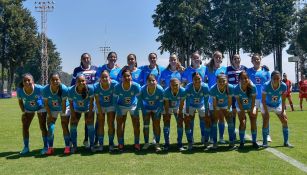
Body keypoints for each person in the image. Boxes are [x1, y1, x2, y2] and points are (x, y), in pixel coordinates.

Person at [71, 53, 98, 148]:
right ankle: (72, 143)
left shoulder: (95, 68)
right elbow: (72, 84)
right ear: (81, 59)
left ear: (90, 59)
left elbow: (98, 82)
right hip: (79, 97)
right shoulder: (77, 70)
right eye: (84, 58)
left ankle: (88, 140)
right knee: (75, 121)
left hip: (91, 96)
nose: (86, 59)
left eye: (88, 58)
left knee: (89, 120)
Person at [17, 73, 48, 155]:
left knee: (42, 126)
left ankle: (46, 147)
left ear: (33, 82)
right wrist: (24, 112)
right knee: (25, 126)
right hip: (28, 109)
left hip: (41, 107)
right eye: (25, 81)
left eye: (29, 80)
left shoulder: (40, 88)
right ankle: (26, 147)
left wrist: (43, 106)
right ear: (22, 83)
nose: (27, 82)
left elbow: (47, 97)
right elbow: (20, 102)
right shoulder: (20, 90)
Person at [261, 71, 293, 148]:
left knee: (285, 120)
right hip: (266, 105)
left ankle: (286, 142)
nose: (276, 80)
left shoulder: (283, 86)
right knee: (265, 120)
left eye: (277, 78)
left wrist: (282, 111)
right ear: (271, 78)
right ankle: (265, 142)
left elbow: (283, 99)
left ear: (280, 78)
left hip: (277, 105)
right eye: (274, 78)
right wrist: (266, 112)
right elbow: (263, 100)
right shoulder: (266, 85)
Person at [113, 69, 141, 151]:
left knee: (136, 124)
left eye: (128, 76)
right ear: (122, 78)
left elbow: (140, 99)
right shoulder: (117, 87)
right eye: (124, 76)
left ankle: (137, 143)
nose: (127, 77)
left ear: (131, 77)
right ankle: (120, 144)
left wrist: (136, 110)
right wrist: (118, 110)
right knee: (120, 124)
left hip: (133, 105)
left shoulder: (136, 86)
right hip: (121, 106)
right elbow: (114, 101)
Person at [246, 53, 272, 142]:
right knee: (253, 117)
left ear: (260, 60)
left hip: (264, 98)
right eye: (255, 59)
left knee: (265, 116)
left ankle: (267, 134)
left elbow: (270, 84)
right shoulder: (248, 71)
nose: (257, 61)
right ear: (252, 61)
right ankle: (255, 135)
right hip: (253, 98)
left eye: (258, 59)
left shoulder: (266, 71)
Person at [43, 72, 70, 155]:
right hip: (52, 109)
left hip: (64, 107)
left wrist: (63, 115)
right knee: (50, 128)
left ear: (60, 80)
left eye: (57, 79)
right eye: (53, 80)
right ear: (49, 81)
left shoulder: (64, 89)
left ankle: (67, 146)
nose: (55, 81)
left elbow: (63, 103)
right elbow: (46, 104)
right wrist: (50, 116)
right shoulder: (45, 90)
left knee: (64, 125)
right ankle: (50, 147)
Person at [68, 74, 95, 153]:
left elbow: (91, 103)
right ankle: (74, 146)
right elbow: (71, 103)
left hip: (88, 109)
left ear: (85, 81)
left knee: (90, 124)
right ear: (76, 82)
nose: (81, 82)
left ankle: (92, 145)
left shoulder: (90, 89)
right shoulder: (71, 90)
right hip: (77, 109)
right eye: (79, 81)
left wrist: (90, 115)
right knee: (73, 124)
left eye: (83, 81)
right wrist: (73, 115)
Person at [209, 73, 236, 149]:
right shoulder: (213, 89)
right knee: (214, 122)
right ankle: (214, 143)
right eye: (219, 81)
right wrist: (216, 111)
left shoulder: (230, 87)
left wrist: (228, 110)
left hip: (226, 105)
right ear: (216, 81)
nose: (221, 83)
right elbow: (214, 103)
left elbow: (230, 100)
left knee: (230, 122)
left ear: (227, 81)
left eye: (223, 81)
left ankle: (232, 142)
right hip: (215, 106)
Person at [205, 51, 227, 144]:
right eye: (216, 57)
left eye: (220, 57)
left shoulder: (225, 69)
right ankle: (211, 137)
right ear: (213, 58)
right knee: (212, 119)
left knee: (221, 118)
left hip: (222, 97)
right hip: (211, 97)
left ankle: (221, 138)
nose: (218, 58)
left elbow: (239, 69)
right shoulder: (207, 69)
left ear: (222, 58)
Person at [94, 70, 118, 152]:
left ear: (109, 77)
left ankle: (111, 144)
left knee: (110, 124)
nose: (104, 78)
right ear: (100, 78)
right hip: (100, 106)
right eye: (102, 77)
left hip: (111, 105)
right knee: (100, 124)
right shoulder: (96, 86)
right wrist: (100, 112)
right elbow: (96, 100)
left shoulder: (115, 84)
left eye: (106, 77)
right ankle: (101, 145)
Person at [139, 74, 164, 151]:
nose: (151, 82)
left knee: (156, 124)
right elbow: (140, 101)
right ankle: (146, 143)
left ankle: (157, 143)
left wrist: (158, 112)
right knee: (146, 125)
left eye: (153, 80)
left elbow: (161, 103)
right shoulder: (142, 89)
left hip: (156, 108)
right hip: (146, 108)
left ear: (156, 81)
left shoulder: (160, 89)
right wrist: (143, 111)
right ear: (146, 82)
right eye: (149, 80)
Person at [185, 72, 209, 149]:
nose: (197, 80)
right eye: (195, 79)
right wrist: (187, 112)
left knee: (203, 120)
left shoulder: (205, 86)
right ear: (192, 80)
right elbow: (187, 100)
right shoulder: (188, 87)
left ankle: (203, 137)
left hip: (201, 105)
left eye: (199, 79)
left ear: (201, 79)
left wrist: (206, 111)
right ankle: (191, 139)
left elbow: (206, 100)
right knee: (190, 120)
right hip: (191, 105)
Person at [234, 71, 259, 148]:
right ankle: (242, 142)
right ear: (239, 80)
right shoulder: (236, 88)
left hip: (251, 105)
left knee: (253, 119)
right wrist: (242, 112)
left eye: (245, 78)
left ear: (248, 79)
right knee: (242, 122)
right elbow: (238, 102)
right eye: (242, 78)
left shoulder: (253, 87)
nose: (244, 80)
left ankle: (254, 141)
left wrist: (251, 110)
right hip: (240, 105)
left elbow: (254, 100)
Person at [226, 54, 247, 141]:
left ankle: (243, 134)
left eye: (238, 58)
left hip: (242, 95)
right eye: (235, 58)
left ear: (240, 59)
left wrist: (263, 67)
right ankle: (233, 134)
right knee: (233, 115)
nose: (236, 60)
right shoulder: (227, 69)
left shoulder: (244, 68)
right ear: (232, 60)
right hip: (232, 96)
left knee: (243, 115)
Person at [163, 78, 186, 151]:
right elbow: (166, 105)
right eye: (173, 85)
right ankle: (167, 143)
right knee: (166, 123)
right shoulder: (166, 91)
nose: (175, 86)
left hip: (178, 106)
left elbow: (182, 103)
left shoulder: (183, 91)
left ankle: (179, 144)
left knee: (180, 123)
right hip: (168, 107)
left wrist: (180, 113)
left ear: (179, 84)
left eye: (176, 85)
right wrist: (167, 114)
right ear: (170, 85)